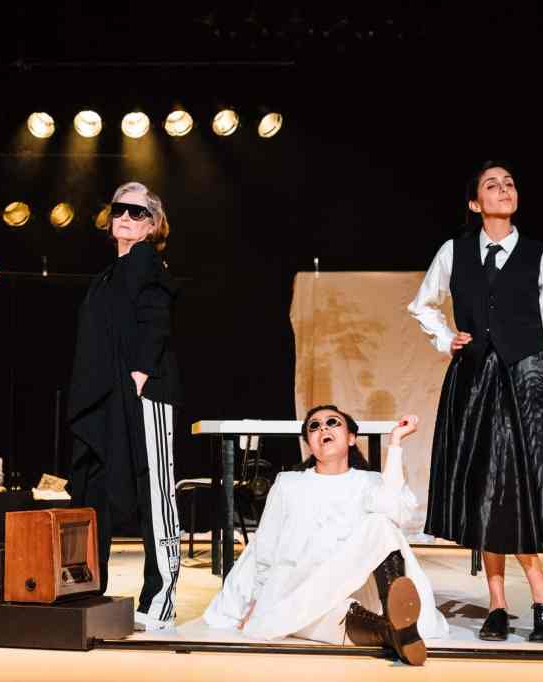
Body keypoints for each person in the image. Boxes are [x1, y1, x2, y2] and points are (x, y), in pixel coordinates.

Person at [408, 160, 543, 642]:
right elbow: (423, 304)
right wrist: (445, 338)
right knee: (485, 487)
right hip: (474, 383)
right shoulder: (455, 251)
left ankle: (542, 592)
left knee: (512, 490)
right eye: (492, 185)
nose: (503, 189)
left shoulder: (539, 254)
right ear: (474, 203)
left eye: (509, 183)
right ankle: (500, 604)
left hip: (526, 381)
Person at [204, 405, 447, 666]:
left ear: (351, 438)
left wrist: (396, 442)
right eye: (314, 426)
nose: (323, 428)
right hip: (303, 583)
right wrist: (257, 599)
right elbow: (266, 545)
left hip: (353, 581)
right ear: (309, 443)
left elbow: (395, 510)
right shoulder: (289, 483)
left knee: (382, 523)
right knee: (312, 615)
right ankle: (396, 633)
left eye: (333, 422)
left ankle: (393, 611)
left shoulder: (370, 481)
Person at [68, 181, 181, 631]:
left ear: (153, 224)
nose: (126, 219)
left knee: (155, 490)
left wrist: (141, 372)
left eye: (138, 213)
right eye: (119, 210)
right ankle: (87, 588)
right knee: (93, 490)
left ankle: (160, 601)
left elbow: (158, 313)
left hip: (142, 390)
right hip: (104, 395)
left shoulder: (147, 260)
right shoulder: (108, 275)